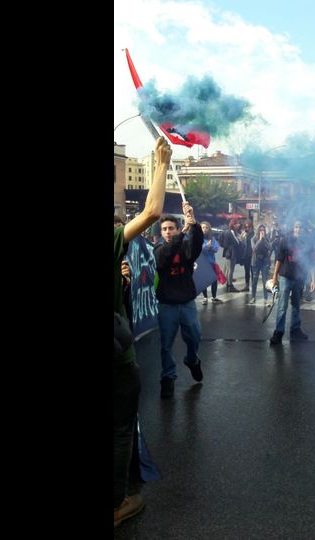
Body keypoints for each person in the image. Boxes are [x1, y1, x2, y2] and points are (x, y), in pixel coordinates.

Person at [114, 136, 170, 528]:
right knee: (120, 431)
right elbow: (151, 211)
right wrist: (161, 162)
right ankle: (121, 502)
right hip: (117, 361)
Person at [154, 203, 204, 399]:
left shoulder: (185, 248)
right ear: (161, 232)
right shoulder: (158, 249)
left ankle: (192, 360)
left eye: (171, 228)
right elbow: (165, 257)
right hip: (167, 304)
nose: (168, 232)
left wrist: (194, 223)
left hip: (186, 303)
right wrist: (182, 231)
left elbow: (197, 244)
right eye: (165, 229)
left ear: (176, 229)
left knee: (195, 336)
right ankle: (168, 376)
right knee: (166, 344)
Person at [268, 221, 315, 345]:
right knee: (282, 306)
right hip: (286, 277)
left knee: (296, 305)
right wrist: (275, 276)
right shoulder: (286, 240)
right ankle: (278, 332)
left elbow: (310, 263)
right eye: (296, 227)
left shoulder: (308, 243)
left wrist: (313, 280)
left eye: (300, 227)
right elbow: (279, 259)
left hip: (299, 278)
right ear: (293, 228)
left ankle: (295, 329)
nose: (298, 229)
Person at [199, 221, 222, 304]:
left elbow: (216, 249)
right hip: (202, 263)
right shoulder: (198, 239)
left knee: (214, 280)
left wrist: (211, 246)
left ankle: (214, 297)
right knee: (204, 281)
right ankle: (205, 298)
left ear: (209, 229)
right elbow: (198, 250)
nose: (205, 229)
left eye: (206, 227)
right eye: (203, 227)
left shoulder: (212, 239)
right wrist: (206, 247)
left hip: (212, 263)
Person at [249, 224, 271, 305]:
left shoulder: (267, 238)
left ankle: (266, 299)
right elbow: (254, 249)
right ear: (258, 230)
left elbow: (270, 248)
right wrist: (260, 240)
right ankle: (253, 297)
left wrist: (264, 239)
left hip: (264, 261)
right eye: (260, 230)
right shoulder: (253, 238)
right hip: (256, 261)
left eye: (263, 230)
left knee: (265, 281)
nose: (262, 231)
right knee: (254, 280)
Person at [221, 219, 244, 293]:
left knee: (229, 270)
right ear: (233, 224)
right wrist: (239, 241)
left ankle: (229, 284)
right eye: (237, 224)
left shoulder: (233, 232)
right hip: (231, 254)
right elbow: (235, 243)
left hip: (231, 253)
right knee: (230, 270)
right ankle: (230, 286)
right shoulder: (229, 232)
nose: (238, 225)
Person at [240, 220, 253, 292]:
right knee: (246, 271)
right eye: (246, 227)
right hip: (246, 255)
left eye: (248, 226)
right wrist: (242, 237)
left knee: (253, 271)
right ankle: (247, 285)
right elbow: (242, 244)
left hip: (252, 255)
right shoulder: (244, 234)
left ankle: (253, 286)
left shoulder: (253, 234)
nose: (247, 228)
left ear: (251, 227)